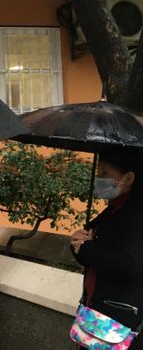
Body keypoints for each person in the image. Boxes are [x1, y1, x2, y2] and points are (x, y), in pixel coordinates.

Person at [70, 147, 143, 348]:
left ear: (128, 178)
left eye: (105, 173)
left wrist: (86, 249)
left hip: (116, 323)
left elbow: (130, 265)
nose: (99, 178)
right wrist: (78, 244)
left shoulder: (137, 214)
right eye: (98, 172)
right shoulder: (114, 209)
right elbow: (89, 249)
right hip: (95, 313)